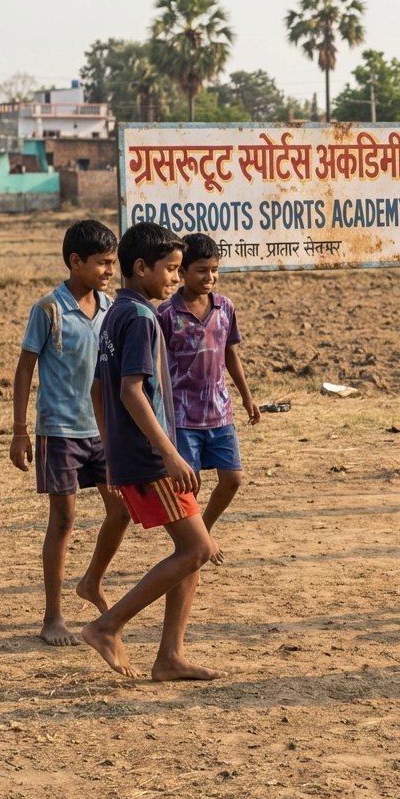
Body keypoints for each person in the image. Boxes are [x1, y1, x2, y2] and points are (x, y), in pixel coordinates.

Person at [81, 222, 223, 682]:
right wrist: (169, 454)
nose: (175, 278)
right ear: (141, 267)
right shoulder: (142, 318)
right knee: (197, 548)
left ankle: (170, 657)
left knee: (193, 549)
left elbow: (98, 389)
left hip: (133, 453)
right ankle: (107, 626)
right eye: (171, 269)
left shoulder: (115, 312)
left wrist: (111, 452)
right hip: (150, 456)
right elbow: (130, 392)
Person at [10, 220, 131, 646]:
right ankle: (53, 616)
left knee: (121, 510)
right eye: (102, 263)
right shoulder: (49, 309)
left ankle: (91, 581)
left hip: (103, 432)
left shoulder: (111, 308)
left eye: (113, 263)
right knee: (63, 521)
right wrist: (20, 431)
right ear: (76, 262)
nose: (109, 271)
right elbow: (25, 368)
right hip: (59, 432)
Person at [157, 233, 260, 564]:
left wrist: (246, 397)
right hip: (182, 416)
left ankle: (203, 531)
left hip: (219, 411)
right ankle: (192, 545)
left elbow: (230, 353)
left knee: (233, 478)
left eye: (214, 270)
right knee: (190, 486)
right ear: (182, 271)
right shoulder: (166, 314)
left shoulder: (224, 307)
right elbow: (157, 365)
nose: (209, 277)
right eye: (201, 270)